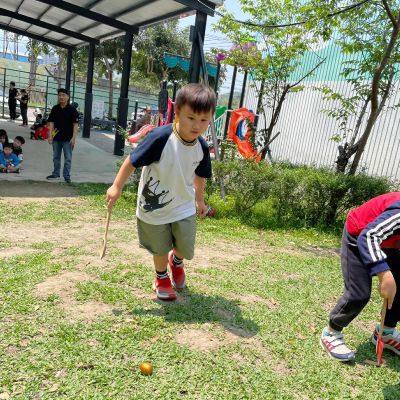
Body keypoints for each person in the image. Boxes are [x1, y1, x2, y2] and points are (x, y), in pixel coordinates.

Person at [106, 83, 216, 301]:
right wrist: (116, 186)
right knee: (159, 247)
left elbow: (200, 175)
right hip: (153, 206)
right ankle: (161, 277)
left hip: (183, 204)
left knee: (185, 245)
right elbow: (132, 161)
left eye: (204, 120)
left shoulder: (202, 147)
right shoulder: (160, 138)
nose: (197, 125)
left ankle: (176, 261)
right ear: (178, 112)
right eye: (191, 118)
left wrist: (200, 201)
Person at [321, 192, 400, 362]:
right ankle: (331, 332)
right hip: (359, 236)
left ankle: (385, 333)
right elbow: (369, 236)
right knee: (359, 294)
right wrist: (384, 273)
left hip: (391, 243)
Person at [46, 88, 79, 183]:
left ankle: (66, 176)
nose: (61, 97)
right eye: (59, 95)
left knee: (68, 158)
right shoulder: (55, 108)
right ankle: (56, 173)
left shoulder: (72, 110)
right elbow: (51, 123)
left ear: (68, 97)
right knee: (56, 157)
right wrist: (50, 136)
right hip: (56, 137)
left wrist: (73, 138)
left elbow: (75, 125)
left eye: (63, 95)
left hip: (68, 139)